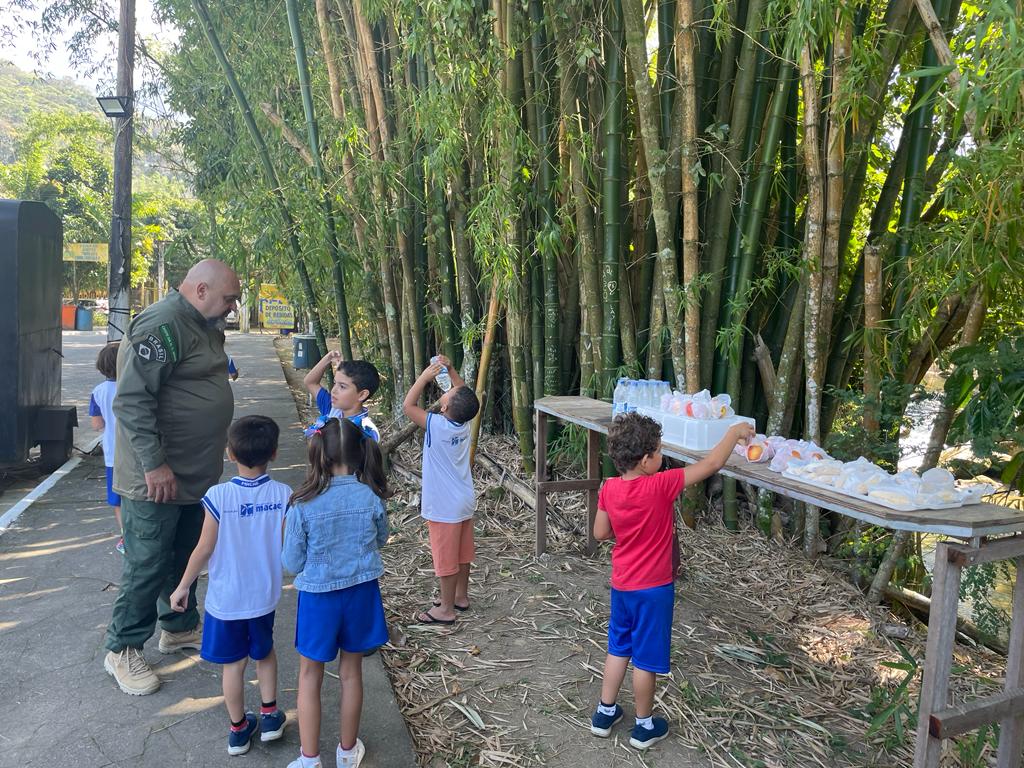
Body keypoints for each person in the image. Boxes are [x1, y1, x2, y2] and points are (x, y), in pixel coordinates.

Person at [103, 258, 241, 696]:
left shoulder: (201, 323)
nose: (232, 308)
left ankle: (178, 625)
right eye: (228, 298)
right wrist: (153, 463)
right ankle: (122, 647)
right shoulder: (161, 325)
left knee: (185, 553)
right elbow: (130, 401)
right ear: (200, 290)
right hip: (158, 474)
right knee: (147, 561)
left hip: (193, 471)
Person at [588, 412, 754, 750]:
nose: (662, 456)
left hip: (622, 584)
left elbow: (600, 532)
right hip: (654, 589)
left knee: (619, 647)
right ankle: (644, 726)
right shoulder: (660, 484)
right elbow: (710, 465)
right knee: (646, 659)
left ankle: (605, 714)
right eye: (660, 451)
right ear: (647, 459)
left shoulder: (609, 487)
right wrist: (733, 432)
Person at [168, 415, 290, 756]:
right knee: (264, 653)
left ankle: (238, 730)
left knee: (233, 665)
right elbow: (286, 548)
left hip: (226, 600)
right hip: (263, 596)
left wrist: (182, 587)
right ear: (275, 453)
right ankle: (269, 716)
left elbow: (204, 548)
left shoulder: (217, 496)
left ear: (229, 453)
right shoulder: (283, 495)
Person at [282, 417, 391, 768]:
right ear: (360, 455)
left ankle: (309, 758)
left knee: (309, 675)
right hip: (361, 593)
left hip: (318, 598)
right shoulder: (370, 495)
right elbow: (381, 539)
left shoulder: (303, 503)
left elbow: (291, 563)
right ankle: (347, 751)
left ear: (322, 456)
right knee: (351, 673)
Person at [402, 356, 480, 625]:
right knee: (463, 552)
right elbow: (464, 394)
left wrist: (424, 377)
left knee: (446, 558)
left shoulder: (438, 425)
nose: (448, 390)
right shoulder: (465, 422)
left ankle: (445, 609)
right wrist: (451, 369)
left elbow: (408, 406)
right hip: (465, 499)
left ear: (444, 406)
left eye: (447, 393)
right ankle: (460, 596)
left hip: (444, 504)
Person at [89, 341, 123, 554]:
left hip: (112, 454)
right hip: (136, 452)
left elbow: (97, 424)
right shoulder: (135, 386)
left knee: (117, 499)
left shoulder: (98, 391)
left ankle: (125, 536)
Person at [302, 351, 380, 441]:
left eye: (342, 386)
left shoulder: (365, 432)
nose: (333, 391)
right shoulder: (333, 410)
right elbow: (310, 382)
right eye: (335, 383)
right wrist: (328, 358)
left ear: (362, 395)